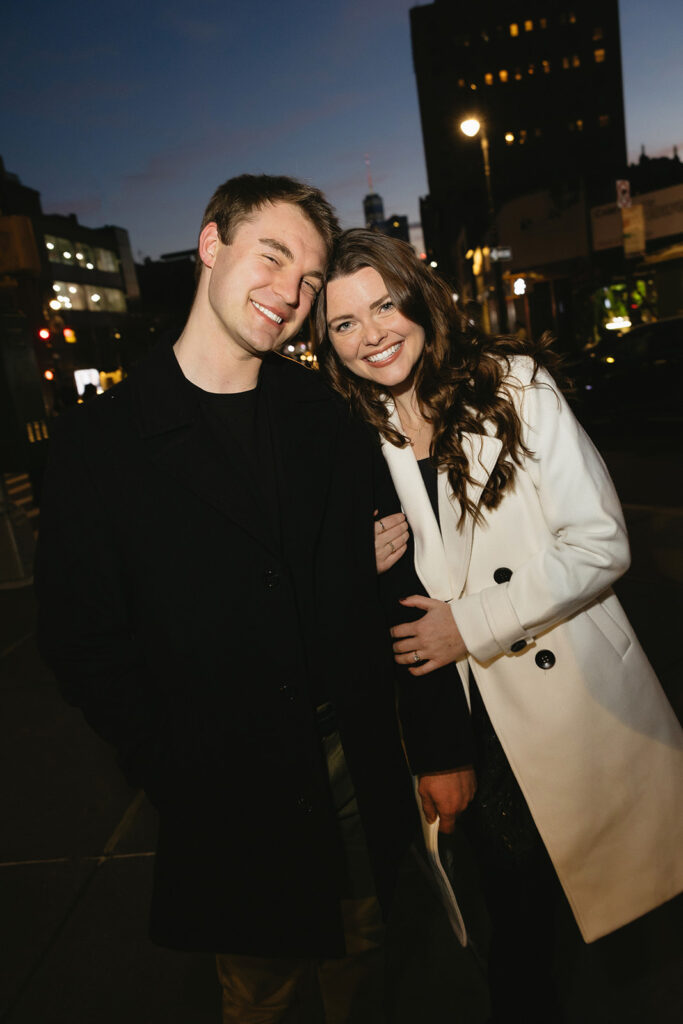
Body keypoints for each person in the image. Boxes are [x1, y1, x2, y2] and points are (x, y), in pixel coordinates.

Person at [34, 177, 469, 1023]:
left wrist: (437, 743)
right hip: (226, 785)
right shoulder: (102, 442)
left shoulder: (328, 416)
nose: (291, 294)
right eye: (272, 258)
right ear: (209, 245)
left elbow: (399, 590)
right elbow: (80, 638)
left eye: (309, 282)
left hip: (351, 764)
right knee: (258, 990)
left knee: (364, 965)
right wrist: (167, 764)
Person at [315, 228, 683, 1022]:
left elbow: (601, 542)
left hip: (575, 703)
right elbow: (389, 618)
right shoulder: (350, 438)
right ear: (326, 341)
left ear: (417, 296)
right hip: (470, 721)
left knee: (600, 924)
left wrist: (471, 623)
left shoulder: (510, 384)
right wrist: (353, 561)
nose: (372, 334)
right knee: (512, 930)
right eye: (344, 323)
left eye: (383, 304)